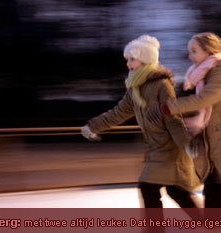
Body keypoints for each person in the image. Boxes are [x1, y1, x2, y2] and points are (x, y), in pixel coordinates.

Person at [80, 35, 201, 218]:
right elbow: (118, 112)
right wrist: (94, 126)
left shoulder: (161, 85)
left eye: (132, 59)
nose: (128, 64)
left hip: (170, 149)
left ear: (145, 59)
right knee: (175, 191)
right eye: (127, 60)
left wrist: (186, 144)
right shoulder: (135, 88)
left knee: (152, 188)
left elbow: (173, 117)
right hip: (155, 149)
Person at [146, 32, 221, 216]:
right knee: (213, 191)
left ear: (209, 50)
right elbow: (207, 109)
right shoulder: (206, 73)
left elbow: (203, 100)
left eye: (194, 51)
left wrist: (166, 108)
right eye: (189, 51)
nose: (190, 56)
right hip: (217, 142)